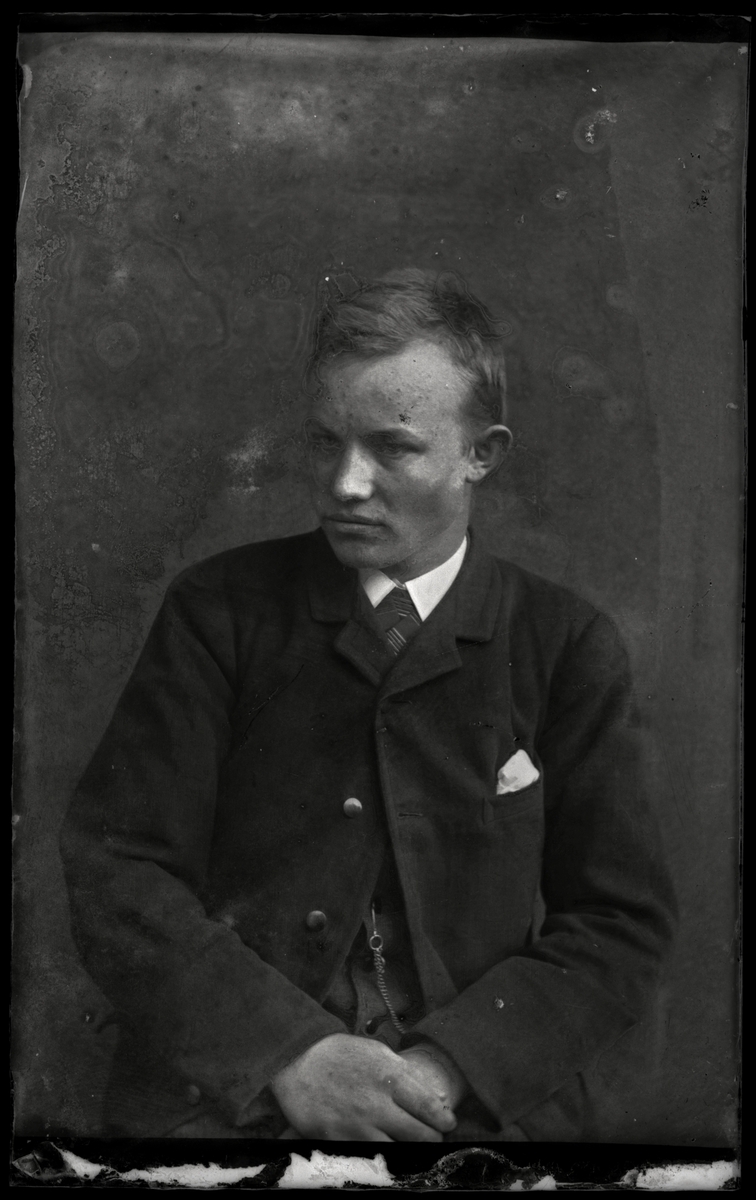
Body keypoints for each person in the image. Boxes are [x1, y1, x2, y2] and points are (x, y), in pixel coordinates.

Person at [60, 268, 676, 1142]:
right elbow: (118, 871)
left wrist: (445, 1070)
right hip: (231, 1099)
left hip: (468, 1109)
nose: (346, 484)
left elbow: (619, 922)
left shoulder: (565, 644)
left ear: (482, 454)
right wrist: (289, 1055)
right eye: (326, 442)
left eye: (393, 448)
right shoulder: (219, 612)